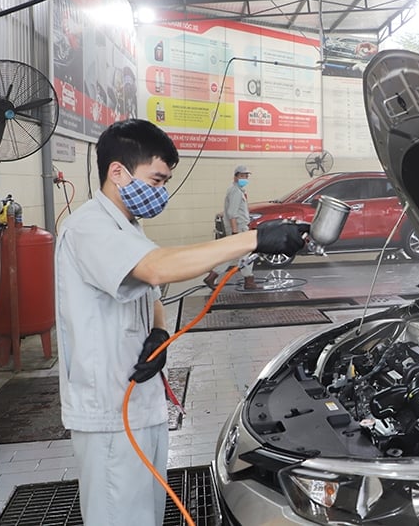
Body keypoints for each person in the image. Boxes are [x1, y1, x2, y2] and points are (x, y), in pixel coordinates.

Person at [54, 119, 306, 526]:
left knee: (146, 513)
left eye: (165, 182)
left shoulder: (127, 227)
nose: (160, 192)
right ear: (117, 172)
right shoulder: (88, 228)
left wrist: (160, 331)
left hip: (139, 401)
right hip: (108, 412)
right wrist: (253, 239)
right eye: (156, 179)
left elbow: (150, 292)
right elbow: (157, 268)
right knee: (120, 517)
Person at [203, 164, 256, 290]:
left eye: (246, 176)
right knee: (246, 254)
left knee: (232, 254)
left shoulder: (237, 190)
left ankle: (212, 276)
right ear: (236, 177)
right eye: (242, 176)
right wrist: (235, 232)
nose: (245, 178)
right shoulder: (235, 192)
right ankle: (249, 280)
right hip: (238, 228)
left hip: (239, 227)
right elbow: (232, 213)